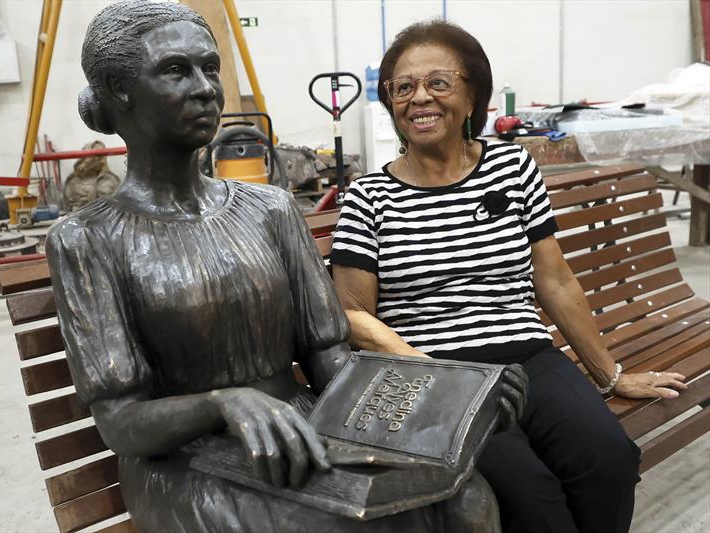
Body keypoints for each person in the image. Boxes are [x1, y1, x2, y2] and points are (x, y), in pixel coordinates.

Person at [47, 3, 523, 532]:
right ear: (119, 90)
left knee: (468, 501)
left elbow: (331, 364)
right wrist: (221, 404)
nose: (205, 87)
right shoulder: (85, 240)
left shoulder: (270, 209)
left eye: (210, 68)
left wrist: (453, 396)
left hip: (306, 428)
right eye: (177, 70)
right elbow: (120, 422)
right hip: (185, 462)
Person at [331, 19, 688, 533]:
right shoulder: (369, 197)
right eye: (402, 87)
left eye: (438, 82)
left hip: (528, 356)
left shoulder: (511, 166)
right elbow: (353, 314)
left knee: (609, 460)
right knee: (529, 494)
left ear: (472, 92)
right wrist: (445, 378)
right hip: (439, 375)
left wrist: (611, 376)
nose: (419, 98)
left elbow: (556, 281)